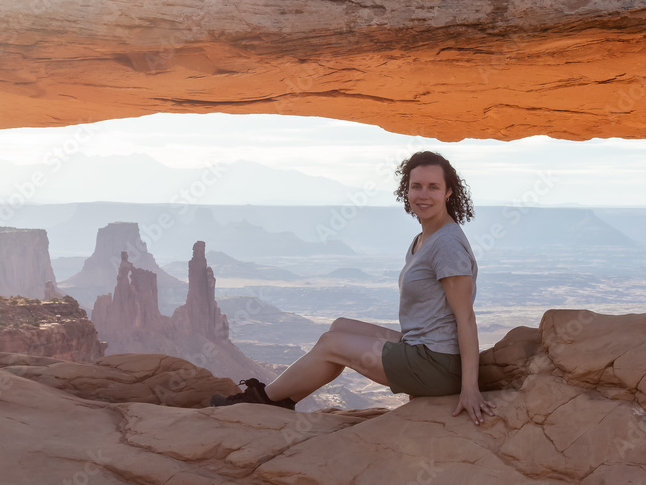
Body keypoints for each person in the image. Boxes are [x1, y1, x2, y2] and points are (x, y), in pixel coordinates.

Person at [211, 151, 496, 425]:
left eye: (434, 187)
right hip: (420, 348)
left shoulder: (446, 244)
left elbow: (465, 317)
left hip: (437, 364)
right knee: (339, 326)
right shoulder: (424, 237)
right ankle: (283, 402)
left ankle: (260, 401)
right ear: (405, 191)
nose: (423, 195)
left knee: (331, 344)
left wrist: (468, 387)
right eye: (416, 186)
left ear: (448, 192)